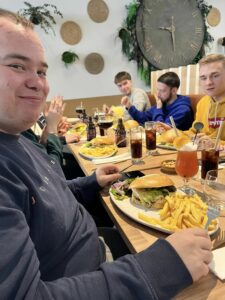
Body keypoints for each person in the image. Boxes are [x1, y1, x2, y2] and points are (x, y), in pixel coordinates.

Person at [0, 9, 213, 299]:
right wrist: (161, 267)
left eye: (41, 71)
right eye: (16, 65)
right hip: (100, 273)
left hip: (100, 249)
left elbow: (48, 198)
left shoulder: (16, 138)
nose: (38, 82)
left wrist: (90, 182)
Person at [122, 72, 194, 130]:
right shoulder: (163, 102)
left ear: (174, 91)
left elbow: (161, 130)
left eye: (162, 91)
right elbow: (143, 118)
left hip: (177, 145)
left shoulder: (183, 110)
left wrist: (159, 109)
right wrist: (129, 106)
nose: (158, 94)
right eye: (157, 89)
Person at [188, 54, 225, 145]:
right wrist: (172, 131)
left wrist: (217, 143)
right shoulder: (202, 103)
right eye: (203, 78)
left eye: (215, 76)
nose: (208, 82)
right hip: (204, 156)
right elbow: (194, 132)